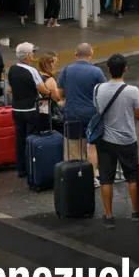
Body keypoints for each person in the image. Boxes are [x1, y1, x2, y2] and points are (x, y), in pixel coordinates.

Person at [93, 54, 139, 229]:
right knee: (131, 177)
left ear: (108, 69)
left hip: (105, 140)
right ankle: (135, 211)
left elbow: (98, 110)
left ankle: (108, 216)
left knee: (106, 179)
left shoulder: (98, 89)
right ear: (125, 69)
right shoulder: (132, 91)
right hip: (127, 139)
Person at [57, 43, 107, 178]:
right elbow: (104, 92)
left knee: (73, 147)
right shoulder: (97, 71)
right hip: (92, 115)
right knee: (92, 146)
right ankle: (93, 175)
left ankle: (76, 177)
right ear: (91, 55)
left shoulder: (66, 70)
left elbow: (60, 93)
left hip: (72, 114)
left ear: (75, 54)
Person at [7, 42, 50, 180]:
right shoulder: (31, 70)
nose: (33, 55)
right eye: (32, 52)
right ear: (27, 56)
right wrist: (49, 92)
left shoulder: (12, 69)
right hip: (30, 109)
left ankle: (21, 169)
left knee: (19, 139)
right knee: (31, 139)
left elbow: (9, 89)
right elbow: (42, 89)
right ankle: (31, 167)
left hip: (16, 109)